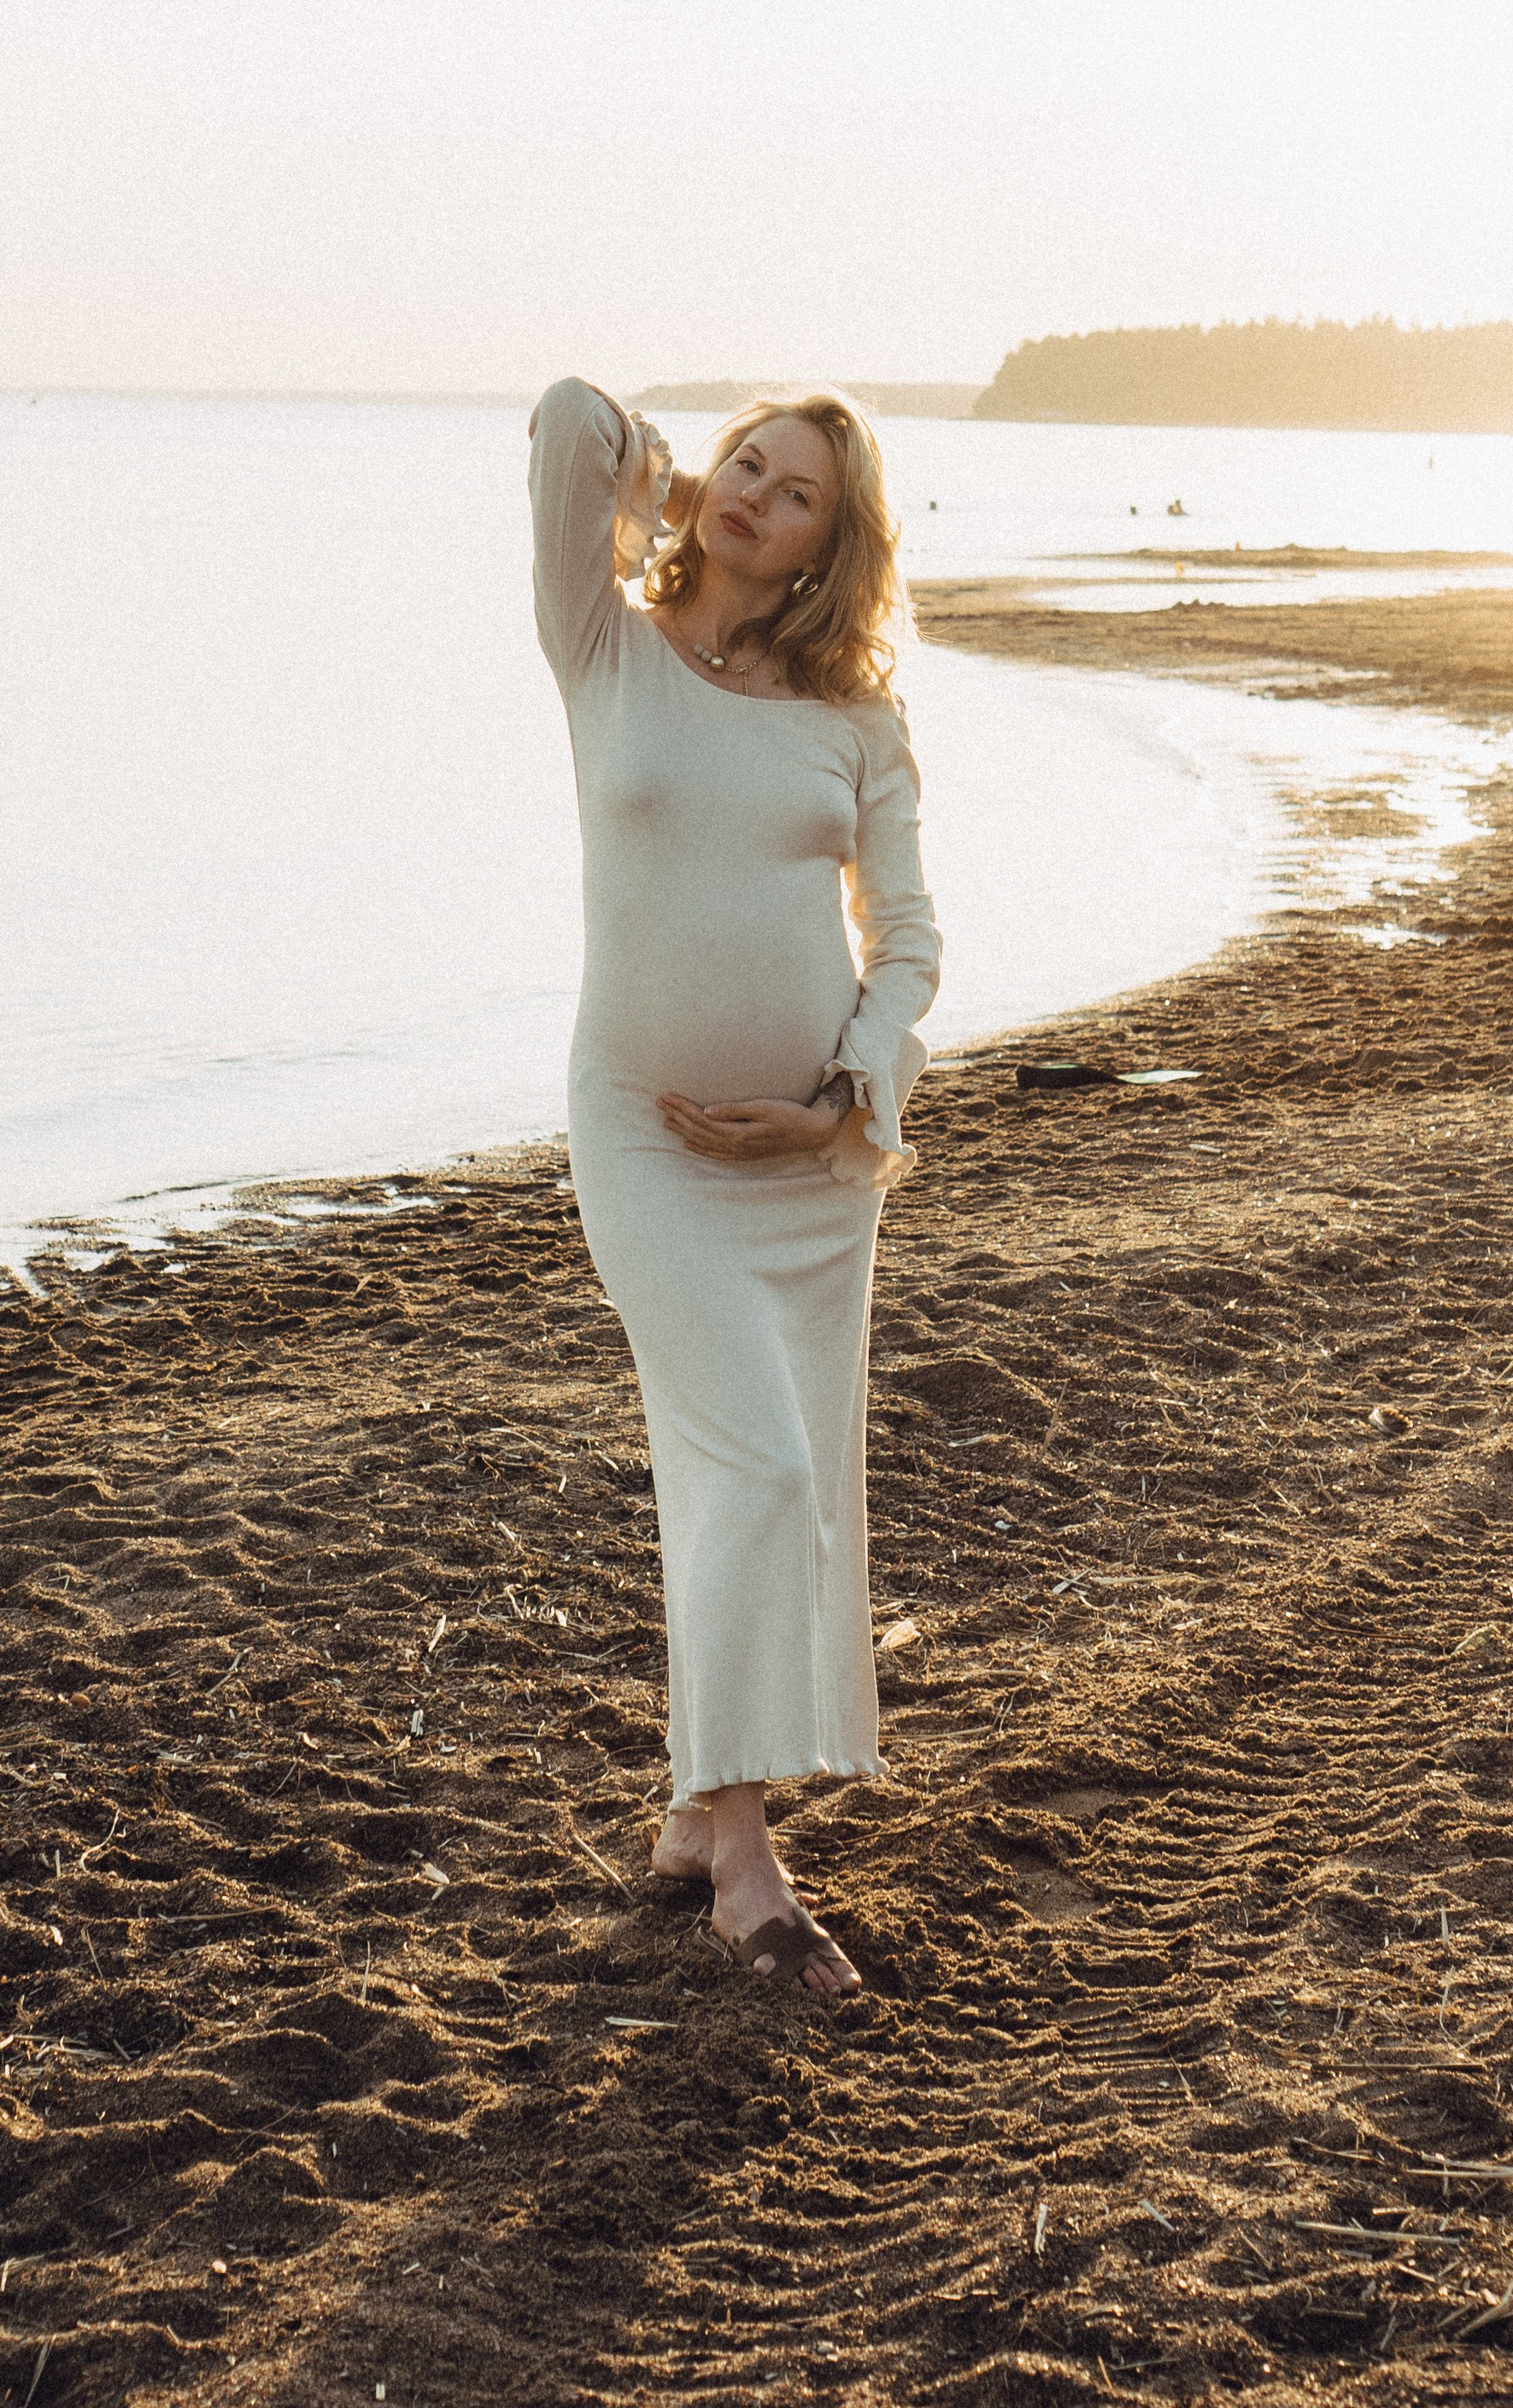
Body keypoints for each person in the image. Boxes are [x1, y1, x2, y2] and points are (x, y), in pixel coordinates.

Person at [529, 379, 941, 1994]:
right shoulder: (603, 650)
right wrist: (661, 468)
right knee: (757, 1466)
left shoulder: (858, 725)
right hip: (640, 1133)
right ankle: (750, 1865)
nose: (760, 498)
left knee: (761, 1477)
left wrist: (847, 1095)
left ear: (833, 552)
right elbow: (565, 423)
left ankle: (705, 1813)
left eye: (800, 496)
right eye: (750, 468)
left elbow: (906, 944)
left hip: (813, 1171)